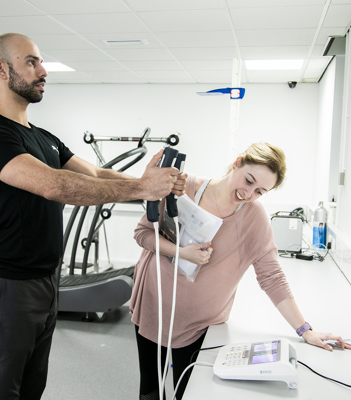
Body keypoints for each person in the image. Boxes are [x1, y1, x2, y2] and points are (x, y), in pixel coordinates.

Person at [0, 32, 185, 400]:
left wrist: (150, 183)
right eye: (31, 62)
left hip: (45, 282)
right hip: (5, 287)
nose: (43, 70)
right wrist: (142, 189)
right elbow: (56, 186)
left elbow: (95, 175)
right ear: (1, 70)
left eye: (41, 61)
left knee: (32, 388)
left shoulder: (43, 136)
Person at [129, 142, 351, 400]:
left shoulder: (254, 219)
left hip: (198, 326)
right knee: (150, 391)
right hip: (153, 305)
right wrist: (182, 252)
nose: (248, 193)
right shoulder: (185, 187)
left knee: (186, 392)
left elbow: (272, 276)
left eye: (260, 191)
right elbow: (142, 233)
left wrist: (305, 330)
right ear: (237, 162)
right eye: (248, 180)